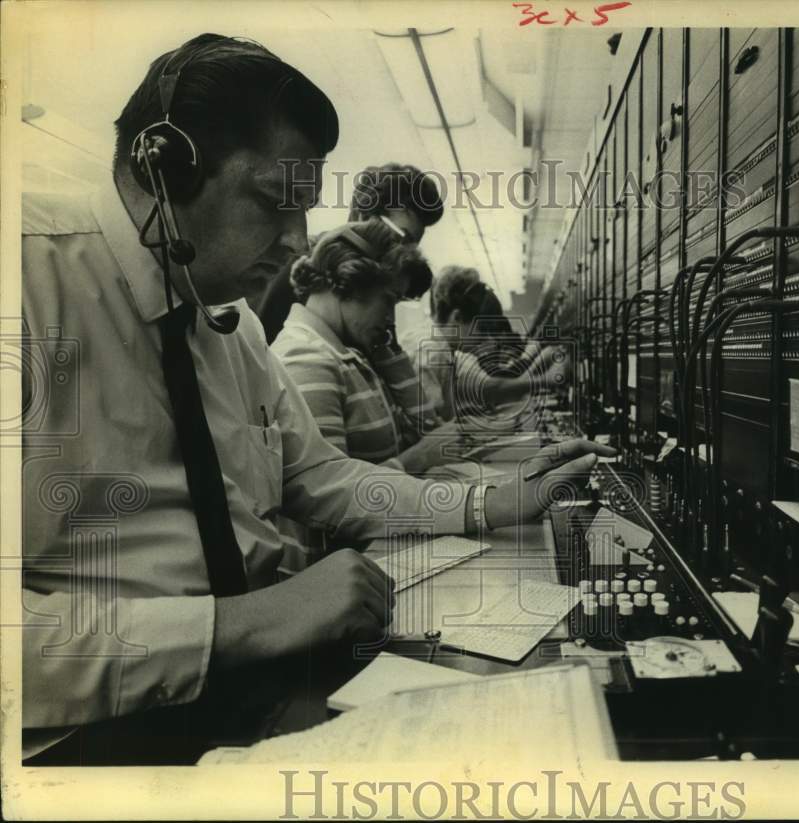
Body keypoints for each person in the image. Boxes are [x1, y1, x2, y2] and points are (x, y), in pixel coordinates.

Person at [20, 33, 612, 764]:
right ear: (166, 166)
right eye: (276, 203)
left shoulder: (225, 321)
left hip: (260, 687)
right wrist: (240, 623)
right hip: (102, 740)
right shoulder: (26, 289)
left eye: (307, 208)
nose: (301, 243)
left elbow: (321, 475)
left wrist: (490, 503)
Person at [272, 220, 462, 473]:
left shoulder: (353, 354)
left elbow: (425, 427)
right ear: (350, 281)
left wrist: (391, 356)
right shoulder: (307, 359)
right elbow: (333, 497)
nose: (391, 320)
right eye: (388, 300)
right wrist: (421, 457)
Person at [252, 162, 444, 343]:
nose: (405, 257)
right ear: (363, 216)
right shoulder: (302, 264)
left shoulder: (370, 295)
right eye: (401, 240)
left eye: (413, 247)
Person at [408, 265, 569, 422]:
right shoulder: (429, 352)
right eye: (483, 331)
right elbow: (429, 428)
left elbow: (488, 387)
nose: (489, 340)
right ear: (457, 318)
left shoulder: (450, 352)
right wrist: (547, 378)